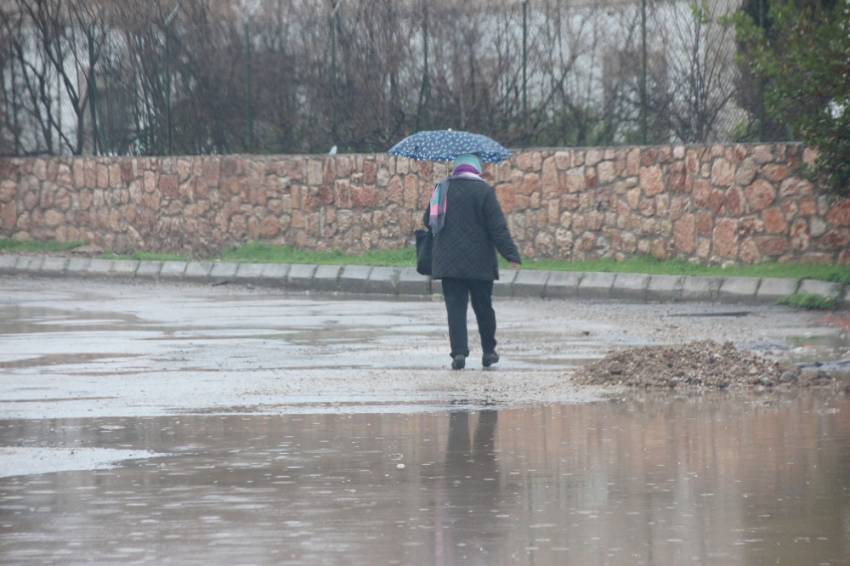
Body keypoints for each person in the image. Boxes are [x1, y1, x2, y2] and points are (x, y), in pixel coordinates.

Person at [423, 154, 521, 370]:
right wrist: (511, 254)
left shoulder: (442, 188)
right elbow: (497, 227)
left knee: (455, 308)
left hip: (449, 263)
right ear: (476, 169)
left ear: (456, 168)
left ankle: (459, 353)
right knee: (484, 307)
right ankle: (488, 351)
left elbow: (428, 221)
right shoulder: (484, 191)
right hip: (480, 263)